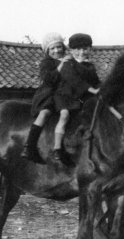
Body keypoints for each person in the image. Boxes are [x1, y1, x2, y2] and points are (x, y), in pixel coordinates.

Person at [21, 32, 71, 163]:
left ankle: (60, 148)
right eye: (52, 48)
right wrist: (60, 65)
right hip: (48, 93)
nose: (56, 51)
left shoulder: (69, 60)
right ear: (47, 51)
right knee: (44, 113)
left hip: (63, 94)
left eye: (58, 47)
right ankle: (29, 147)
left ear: (63, 47)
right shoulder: (46, 63)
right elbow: (48, 79)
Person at [51, 33, 100, 161]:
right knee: (64, 115)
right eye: (77, 49)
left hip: (82, 97)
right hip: (65, 96)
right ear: (71, 50)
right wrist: (93, 90)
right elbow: (74, 81)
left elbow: (96, 81)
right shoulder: (68, 63)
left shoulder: (90, 66)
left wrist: (102, 89)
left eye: (85, 49)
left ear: (90, 49)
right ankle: (57, 147)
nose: (81, 52)